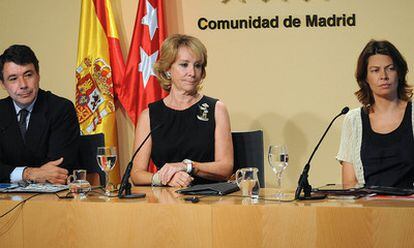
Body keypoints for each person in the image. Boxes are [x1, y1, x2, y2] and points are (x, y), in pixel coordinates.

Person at [131, 34, 233, 187]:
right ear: (167, 70)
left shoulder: (216, 109)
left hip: (208, 199)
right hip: (165, 200)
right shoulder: (149, 116)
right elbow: (136, 174)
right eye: (184, 65)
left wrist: (188, 166)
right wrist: (163, 178)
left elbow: (225, 168)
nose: (192, 73)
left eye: (197, 65)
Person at [337, 40, 414, 188]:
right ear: (365, 77)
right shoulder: (353, 120)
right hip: (368, 209)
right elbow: (349, 184)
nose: (383, 76)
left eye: (390, 69)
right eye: (375, 70)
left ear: (399, 73)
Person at [0, 44, 80, 184]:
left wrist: (11, 172)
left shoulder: (61, 109)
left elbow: (58, 170)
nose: (23, 84)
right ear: (3, 84)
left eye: (28, 75)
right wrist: (28, 173)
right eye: (13, 78)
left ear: (38, 75)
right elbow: (43, 174)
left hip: (50, 200)